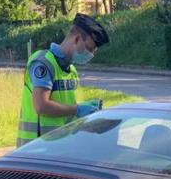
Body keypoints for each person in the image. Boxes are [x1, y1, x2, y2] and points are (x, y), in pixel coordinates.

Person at [17, 14, 109, 147]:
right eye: (89, 49)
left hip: (59, 146)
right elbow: (41, 106)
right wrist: (77, 109)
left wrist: (85, 109)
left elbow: (65, 108)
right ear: (77, 39)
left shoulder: (71, 70)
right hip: (36, 148)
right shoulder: (43, 63)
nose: (91, 55)